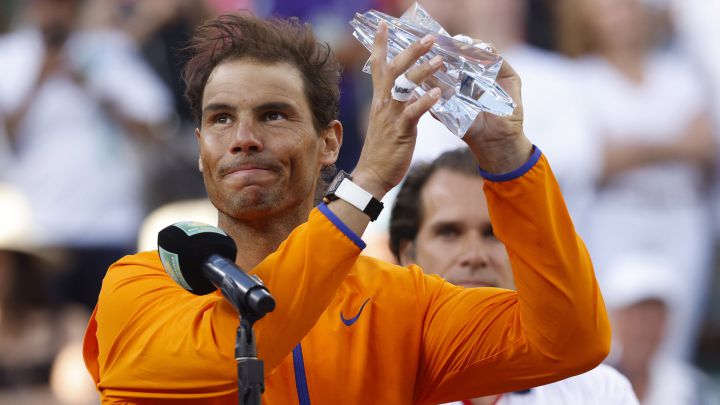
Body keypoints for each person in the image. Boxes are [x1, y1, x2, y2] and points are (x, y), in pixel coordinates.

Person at [83, 12, 611, 404]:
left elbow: (570, 340)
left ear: (331, 143)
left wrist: (505, 155)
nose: (243, 138)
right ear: (200, 149)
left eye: (273, 115)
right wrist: (367, 182)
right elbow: (238, 348)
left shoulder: (403, 304)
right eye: (221, 119)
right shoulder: (137, 288)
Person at [389, 147, 639, 405]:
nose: (474, 255)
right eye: (449, 232)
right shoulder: (373, 385)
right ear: (408, 254)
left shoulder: (599, 392)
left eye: (493, 233)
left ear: (529, 251)